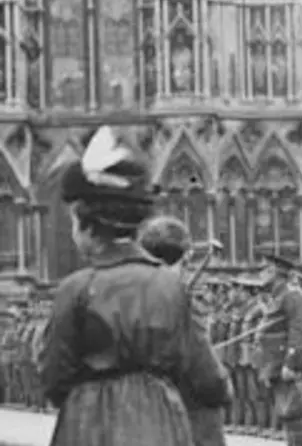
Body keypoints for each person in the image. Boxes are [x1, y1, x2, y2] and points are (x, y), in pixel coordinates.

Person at [38, 125, 231, 446]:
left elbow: (54, 377)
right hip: (160, 422)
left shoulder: (76, 289)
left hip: (88, 425)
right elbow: (206, 376)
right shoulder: (172, 288)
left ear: (87, 226)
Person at [138, 214, 229, 446]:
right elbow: (208, 376)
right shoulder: (180, 303)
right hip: (186, 420)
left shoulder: (128, 299)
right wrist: (224, 388)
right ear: (184, 259)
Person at [256, 254, 302, 446]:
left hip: (288, 364)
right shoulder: (277, 297)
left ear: (275, 272)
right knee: (286, 413)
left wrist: (291, 363)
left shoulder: (292, 296)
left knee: (294, 412)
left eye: (265, 269)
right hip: (275, 364)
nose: (261, 273)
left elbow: (298, 331)